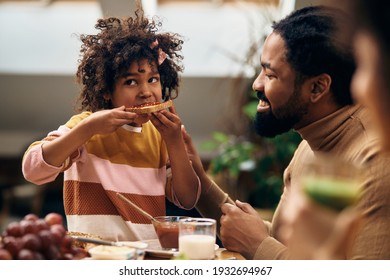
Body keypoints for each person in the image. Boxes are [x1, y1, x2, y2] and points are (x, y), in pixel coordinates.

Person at [184, 5, 390, 259]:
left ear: (317, 88)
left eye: (270, 75)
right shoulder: (309, 143)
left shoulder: (377, 163)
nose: (256, 84)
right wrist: (200, 184)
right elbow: (286, 246)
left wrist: (258, 245)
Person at [21, 10, 200, 242]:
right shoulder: (86, 128)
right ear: (106, 90)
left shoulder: (160, 136)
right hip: (93, 258)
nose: (146, 92)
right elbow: (32, 170)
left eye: (153, 79)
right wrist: (87, 129)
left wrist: (175, 143)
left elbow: (187, 199)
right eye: (131, 82)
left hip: (146, 259)